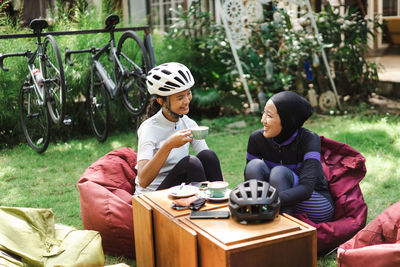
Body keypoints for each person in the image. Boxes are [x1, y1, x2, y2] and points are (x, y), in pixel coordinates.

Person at [244, 91, 334, 223]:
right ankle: (257, 221)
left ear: (287, 121)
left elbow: (306, 189)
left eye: (269, 115)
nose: (262, 120)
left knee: (279, 172)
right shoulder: (257, 139)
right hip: (274, 201)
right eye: (263, 113)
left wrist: (268, 200)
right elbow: (252, 181)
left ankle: (286, 230)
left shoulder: (309, 139)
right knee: (254, 166)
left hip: (315, 203)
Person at [135, 62, 223, 194]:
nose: (187, 101)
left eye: (188, 93)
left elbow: (208, 163)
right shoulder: (149, 129)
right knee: (190, 164)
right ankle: (204, 208)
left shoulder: (188, 124)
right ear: (162, 101)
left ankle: (221, 198)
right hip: (151, 197)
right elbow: (143, 180)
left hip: (178, 190)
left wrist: (218, 184)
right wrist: (168, 145)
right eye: (180, 97)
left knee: (208, 155)